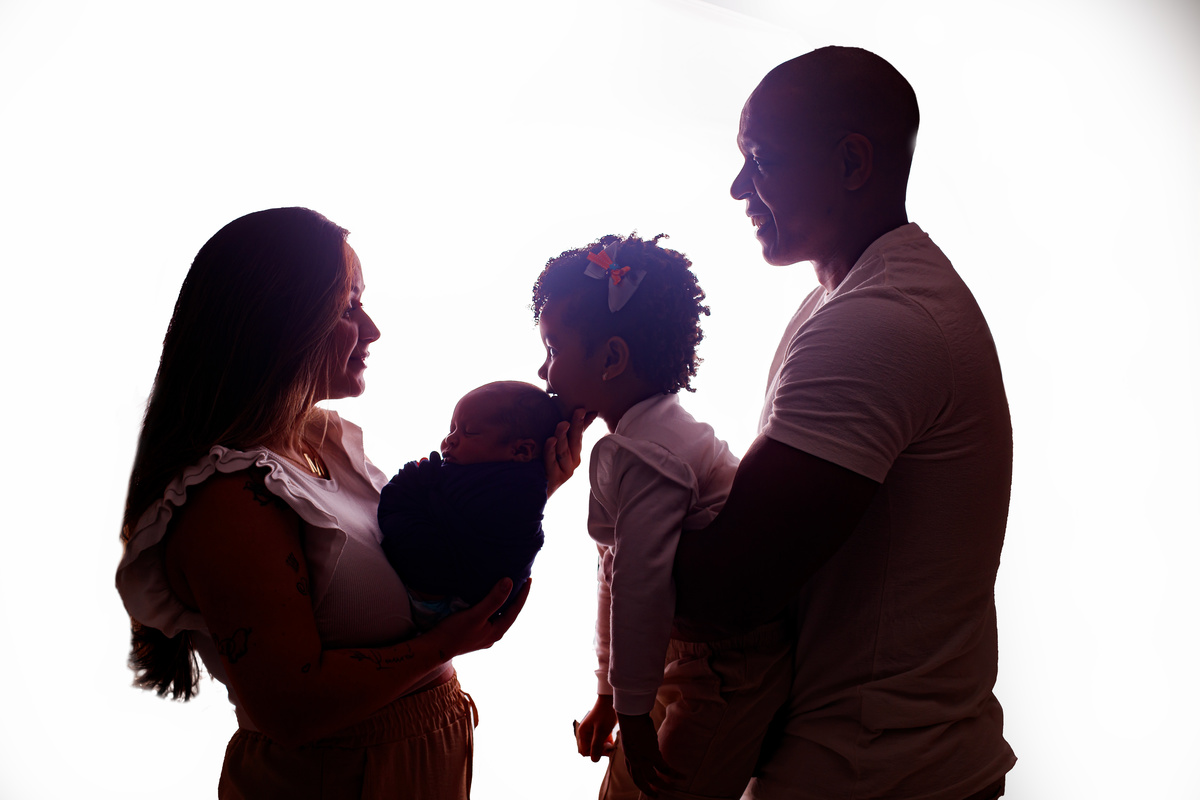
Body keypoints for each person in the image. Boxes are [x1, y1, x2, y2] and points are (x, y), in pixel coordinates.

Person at [115, 207, 584, 799]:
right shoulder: (229, 499)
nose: (373, 329)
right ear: (281, 321)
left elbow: (423, 561)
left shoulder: (321, 443)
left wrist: (524, 489)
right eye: (349, 306)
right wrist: (450, 643)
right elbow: (292, 708)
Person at [673, 47, 1016, 800]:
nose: (738, 187)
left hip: (877, 777)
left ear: (852, 162)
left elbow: (724, 594)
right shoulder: (843, 300)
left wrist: (622, 482)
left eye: (760, 159)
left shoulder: (878, 322)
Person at [533, 234, 793, 800]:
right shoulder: (650, 432)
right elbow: (615, 571)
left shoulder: (646, 455)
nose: (543, 369)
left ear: (612, 359)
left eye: (553, 348)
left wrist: (631, 712)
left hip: (724, 667)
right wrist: (610, 694)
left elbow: (640, 586)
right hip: (675, 651)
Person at [378, 380, 562, 629]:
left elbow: (399, 499)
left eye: (469, 432)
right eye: (452, 429)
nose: (449, 440)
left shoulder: (503, 488)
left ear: (521, 450)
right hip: (475, 605)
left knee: (401, 503)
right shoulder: (530, 485)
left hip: (443, 595)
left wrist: (416, 473)